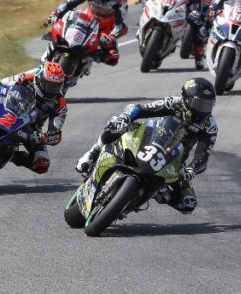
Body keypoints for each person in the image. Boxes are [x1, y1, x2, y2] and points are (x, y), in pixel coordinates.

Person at [75, 78, 218, 214]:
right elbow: (140, 109)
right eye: (200, 104)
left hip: (173, 161)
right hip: (150, 140)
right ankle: (92, 154)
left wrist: (191, 170)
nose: (203, 110)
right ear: (186, 99)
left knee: (188, 203)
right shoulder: (174, 103)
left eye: (208, 105)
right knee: (116, 125)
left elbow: (203, 156)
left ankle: (154, 192)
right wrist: (125, 118)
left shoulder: (209, 126)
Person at [45, 0, 126, 64]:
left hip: (105, 29)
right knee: (62, 27)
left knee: (113, 58)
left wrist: (112, 36)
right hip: (88, 19)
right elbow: (70, 2)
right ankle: (49, 54)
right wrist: (56, 13)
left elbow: (121, 24)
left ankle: (88, 60)